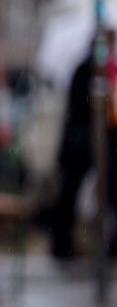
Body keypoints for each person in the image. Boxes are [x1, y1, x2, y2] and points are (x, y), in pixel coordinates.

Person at [38, 31, 117, 259]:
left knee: (104, 192)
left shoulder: (104, 73)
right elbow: (81, 106)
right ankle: (61, 243)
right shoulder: (85, 71)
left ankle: (93, 241)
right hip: (80, 144)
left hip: (95, 143)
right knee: (69, 194)